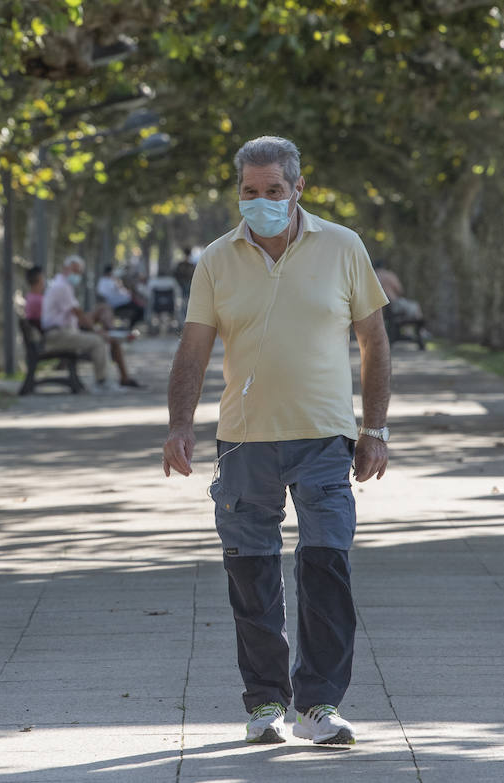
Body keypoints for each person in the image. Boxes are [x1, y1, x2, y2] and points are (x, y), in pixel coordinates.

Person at [162, 136, 391, 746]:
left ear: (297, 189)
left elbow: (374, 341)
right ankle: (265, 703)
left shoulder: (343, 247)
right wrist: (179, 426)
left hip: (325, 439)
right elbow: (193, 349)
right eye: (248, 191)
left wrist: (375, 429)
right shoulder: (216, 258)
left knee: (326, 566)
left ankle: (319, 704)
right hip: (244, 442)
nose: (259, 201)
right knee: (252, 575)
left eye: (272, 191)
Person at [42, 256, 142, 390]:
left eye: (79, 272)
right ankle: (103, 381)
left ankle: (114, 334)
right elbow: (78, 313)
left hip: (63, 332)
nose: (76, 275)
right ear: (65, 269)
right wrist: (97, 331)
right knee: (98, 341)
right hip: (58, 335)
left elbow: (78, 315)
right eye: (74, 271)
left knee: (103, 316)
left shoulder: (63, 285)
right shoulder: (61, 287)